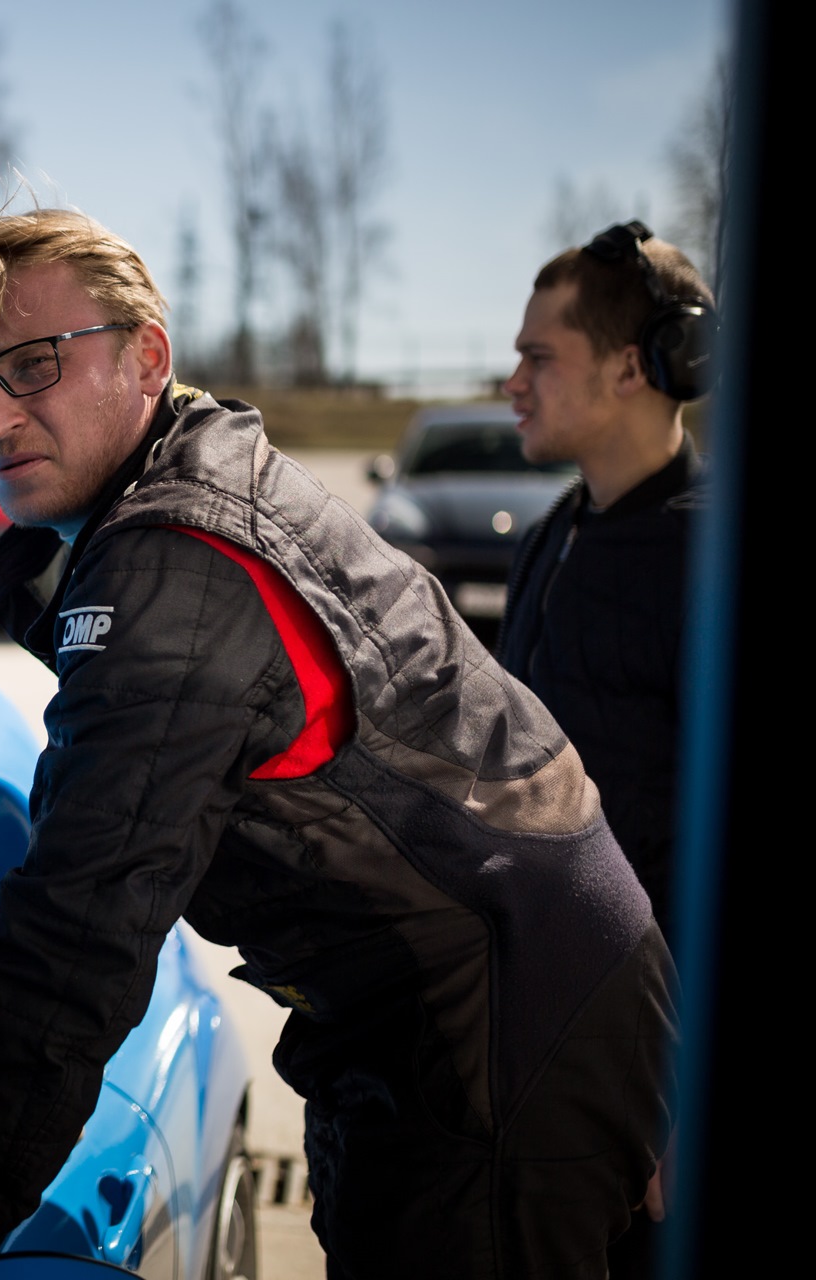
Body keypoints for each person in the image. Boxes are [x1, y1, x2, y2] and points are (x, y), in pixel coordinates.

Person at [0, 197, 676, 1280]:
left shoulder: (176, 567)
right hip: (529, 998)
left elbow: (80, 930)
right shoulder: (201, 479)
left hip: (494, 1039)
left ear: (147, 358)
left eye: (35, 364)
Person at [495, 221, 714, 1276]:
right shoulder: (552, 534)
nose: (513, 383)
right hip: (540, 1040)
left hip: (649, 1073)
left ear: (633, 366)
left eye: (540, 357)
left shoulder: (707, 556)